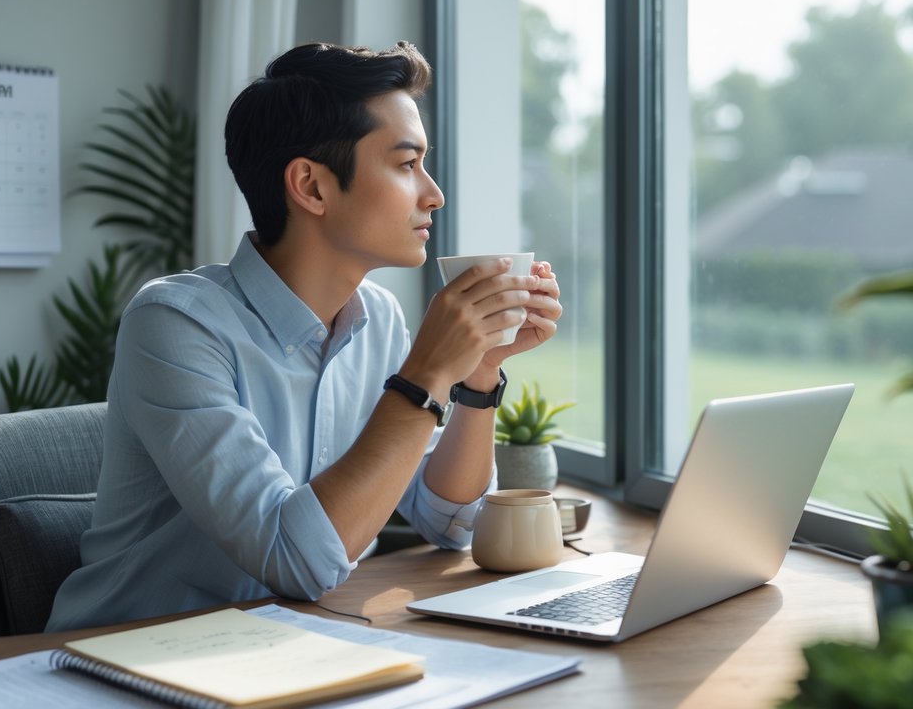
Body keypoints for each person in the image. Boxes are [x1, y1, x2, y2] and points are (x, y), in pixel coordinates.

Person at [45, 42, 561, 631]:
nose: (433, 193)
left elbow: (452, 522)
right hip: (135, 658)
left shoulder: (380, 319)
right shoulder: (174, 324)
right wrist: (424, 379)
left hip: (295, 650)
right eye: (405, 164)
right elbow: (294, 561)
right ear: (311, 187)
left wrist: (475, 375)